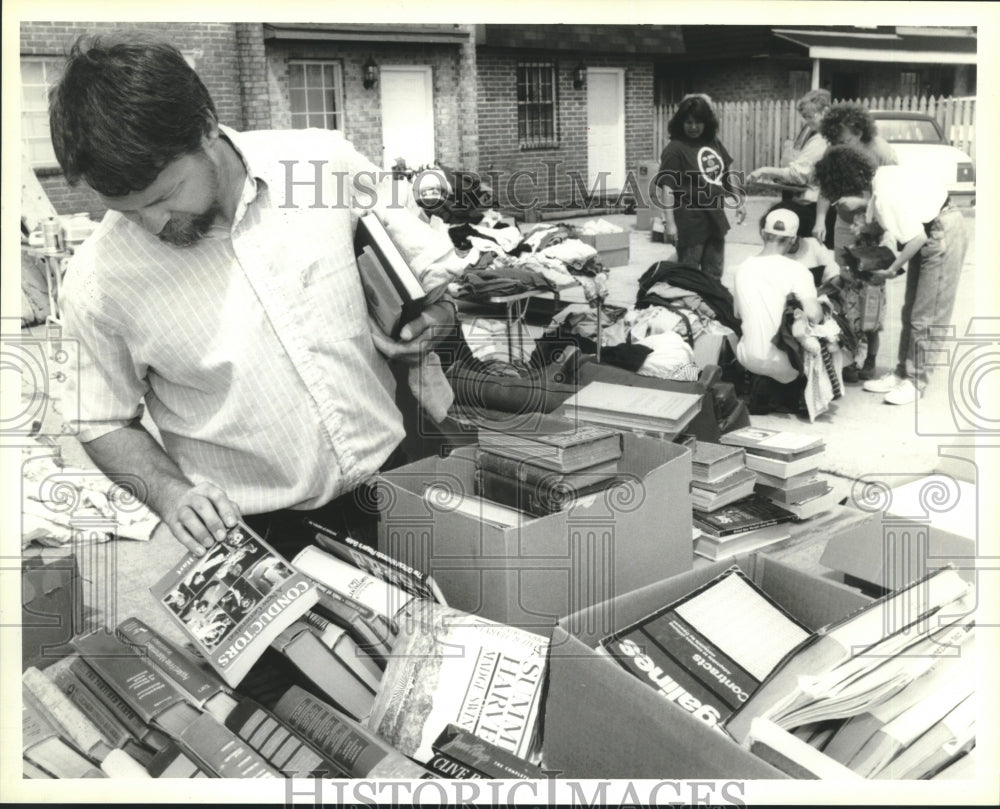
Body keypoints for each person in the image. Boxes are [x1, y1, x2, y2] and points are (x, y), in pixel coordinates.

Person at [48, 34, 457, 558]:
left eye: (165, 197)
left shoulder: (323, 166)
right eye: (126, 211)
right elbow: (99, 417)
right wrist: (172, 496)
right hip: (262, 537)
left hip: (403, 474)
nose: (151, 226)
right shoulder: (95, 282)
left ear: (205, 128)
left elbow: (431, 266)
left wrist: (439, 315)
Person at [814, 145, 969, 405]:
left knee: (926, 314)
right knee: (911, 310)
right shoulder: (882, 178)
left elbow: (916, 238)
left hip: (941, 230)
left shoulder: (885, 194)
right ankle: (901, 373)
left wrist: (891, 269)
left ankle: (916, 381)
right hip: (933, 226)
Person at [812, 103, 898, 381]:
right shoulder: (835, 149)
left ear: (859, 132)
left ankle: (870, 358)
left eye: (843, 139)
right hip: (843, 226)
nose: (836, 145)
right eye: (833, 141)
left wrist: (862, 202)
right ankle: (848, 356)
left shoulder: (882, 152)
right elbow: (826, 188)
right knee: (844, 290)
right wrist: (820, 219)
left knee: (871, 292)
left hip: (874, 229)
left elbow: (893, 195)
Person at [732, 208, 824, 414]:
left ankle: (761, 383)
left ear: (763, 234)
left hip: (748, 357)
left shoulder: (742, 267)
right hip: (787, 364)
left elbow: (738, 314)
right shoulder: (798, 270)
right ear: (793, 241)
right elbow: (815, 316)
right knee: (826, 323)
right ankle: (801, 391)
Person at [656, 94, 744, 281]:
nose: (694, 127)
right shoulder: (675, 149)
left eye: (699, 122)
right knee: (689, 275)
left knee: (713, 273)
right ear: (681, 123)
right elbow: (667, 188)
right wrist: (670, 223)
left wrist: (739, 200)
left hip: (715, 217)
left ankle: (710, 307)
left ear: (707, 122)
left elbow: (726, 172)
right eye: (689, 122)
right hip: (690, 220)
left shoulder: (713, 142)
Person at [748, 89, 832, 206]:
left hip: (818, 201)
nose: (807, 121)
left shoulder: (821, 139)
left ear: (825, 112)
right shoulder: (823, 135)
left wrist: (765, 170)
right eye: (805, 117)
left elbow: (797, 175)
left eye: (809, 116)